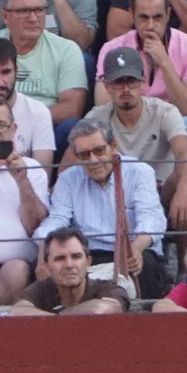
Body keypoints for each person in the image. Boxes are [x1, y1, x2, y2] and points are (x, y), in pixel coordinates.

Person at [33, 118, 168, 297]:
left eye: (99, 150)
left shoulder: (139, 171)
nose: (93, 160)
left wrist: (136, 248)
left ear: (113, 146)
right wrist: (43, 253)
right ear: (76, 156)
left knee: (146, 268)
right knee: (62, 268)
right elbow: (57, 219)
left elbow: (151, 217)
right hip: (91, 254)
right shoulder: (68, 179)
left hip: (134, 249)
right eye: (84, 154)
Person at [80, 48, 187, 239]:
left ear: (143, 82)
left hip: (162, 192)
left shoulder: (164, 111)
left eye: (131, 81)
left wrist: (184, 187)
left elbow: (184, 152)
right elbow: (73, 159)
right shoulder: (97, 117)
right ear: (107, 86)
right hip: (116, 195)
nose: (126, 89)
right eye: (118, 82)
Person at [96, 0, 187, 163]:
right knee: (94, 127)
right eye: (143, 18)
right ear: (131, 15)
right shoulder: (112, 49)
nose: (150, 25)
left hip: (171, 125)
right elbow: (102, 104)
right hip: (127, 124)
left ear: (168, 15)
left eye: (157, 17)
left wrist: (164, 62)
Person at [1, 0, 87, 154]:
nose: (34, 18)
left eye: (39, 10)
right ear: (5, 16)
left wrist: (28, 119)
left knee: (73, 126)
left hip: (47, 127)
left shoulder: (66, 50)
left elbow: (71, 110)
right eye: (24, 11)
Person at [10, 226, 130, 313]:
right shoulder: (39, 290)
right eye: (60, 258)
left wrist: (59, 318)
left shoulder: (107, 288)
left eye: (76, 257)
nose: (69, 265)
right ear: (46, 266)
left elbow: (102, 309)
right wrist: (61, 322)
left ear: (88, 262)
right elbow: (17, 312)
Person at [0, 98, 48, 304]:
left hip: (16, 264)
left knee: (17, 271)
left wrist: (22, 180)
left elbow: (35, 226)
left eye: (1, 126)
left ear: (13, 129)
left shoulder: (31, 168)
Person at [0, 39, 54, 167]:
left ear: (16, 71)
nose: (1, 82)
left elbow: (42, 174)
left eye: (6, 72)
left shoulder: (38, 112)